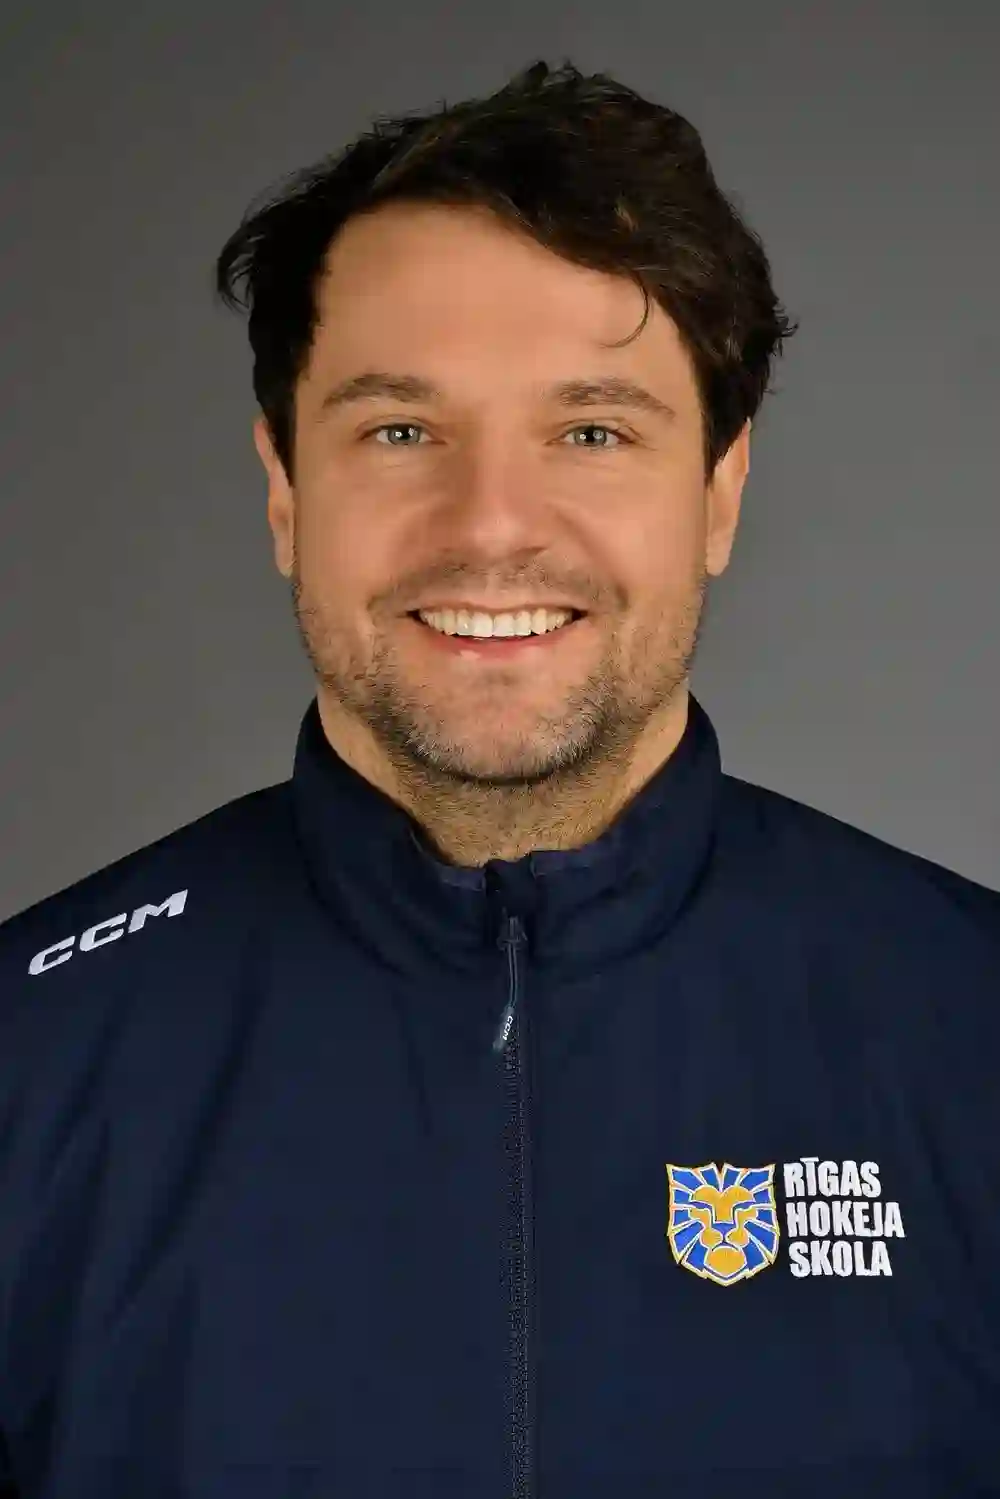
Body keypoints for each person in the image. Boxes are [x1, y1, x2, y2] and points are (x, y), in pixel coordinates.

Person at [1, 58, 998, 1499]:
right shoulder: (32, 1060)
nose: (490, 528)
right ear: (285, 490)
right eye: (401, 431)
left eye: (592, 432)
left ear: (719, 494)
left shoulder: (969, 1029)